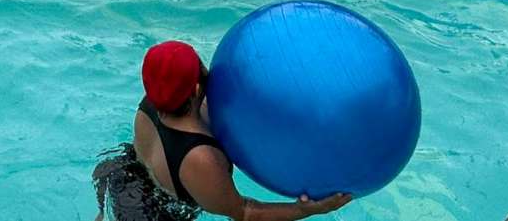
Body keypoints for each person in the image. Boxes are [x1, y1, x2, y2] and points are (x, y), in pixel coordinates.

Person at [93, 41, 352, 221]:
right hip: (155, 214)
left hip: (120, 174)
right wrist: (306, 210)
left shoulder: (152, 102)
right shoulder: (201, 157)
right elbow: (244, 212)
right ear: (196, 89)